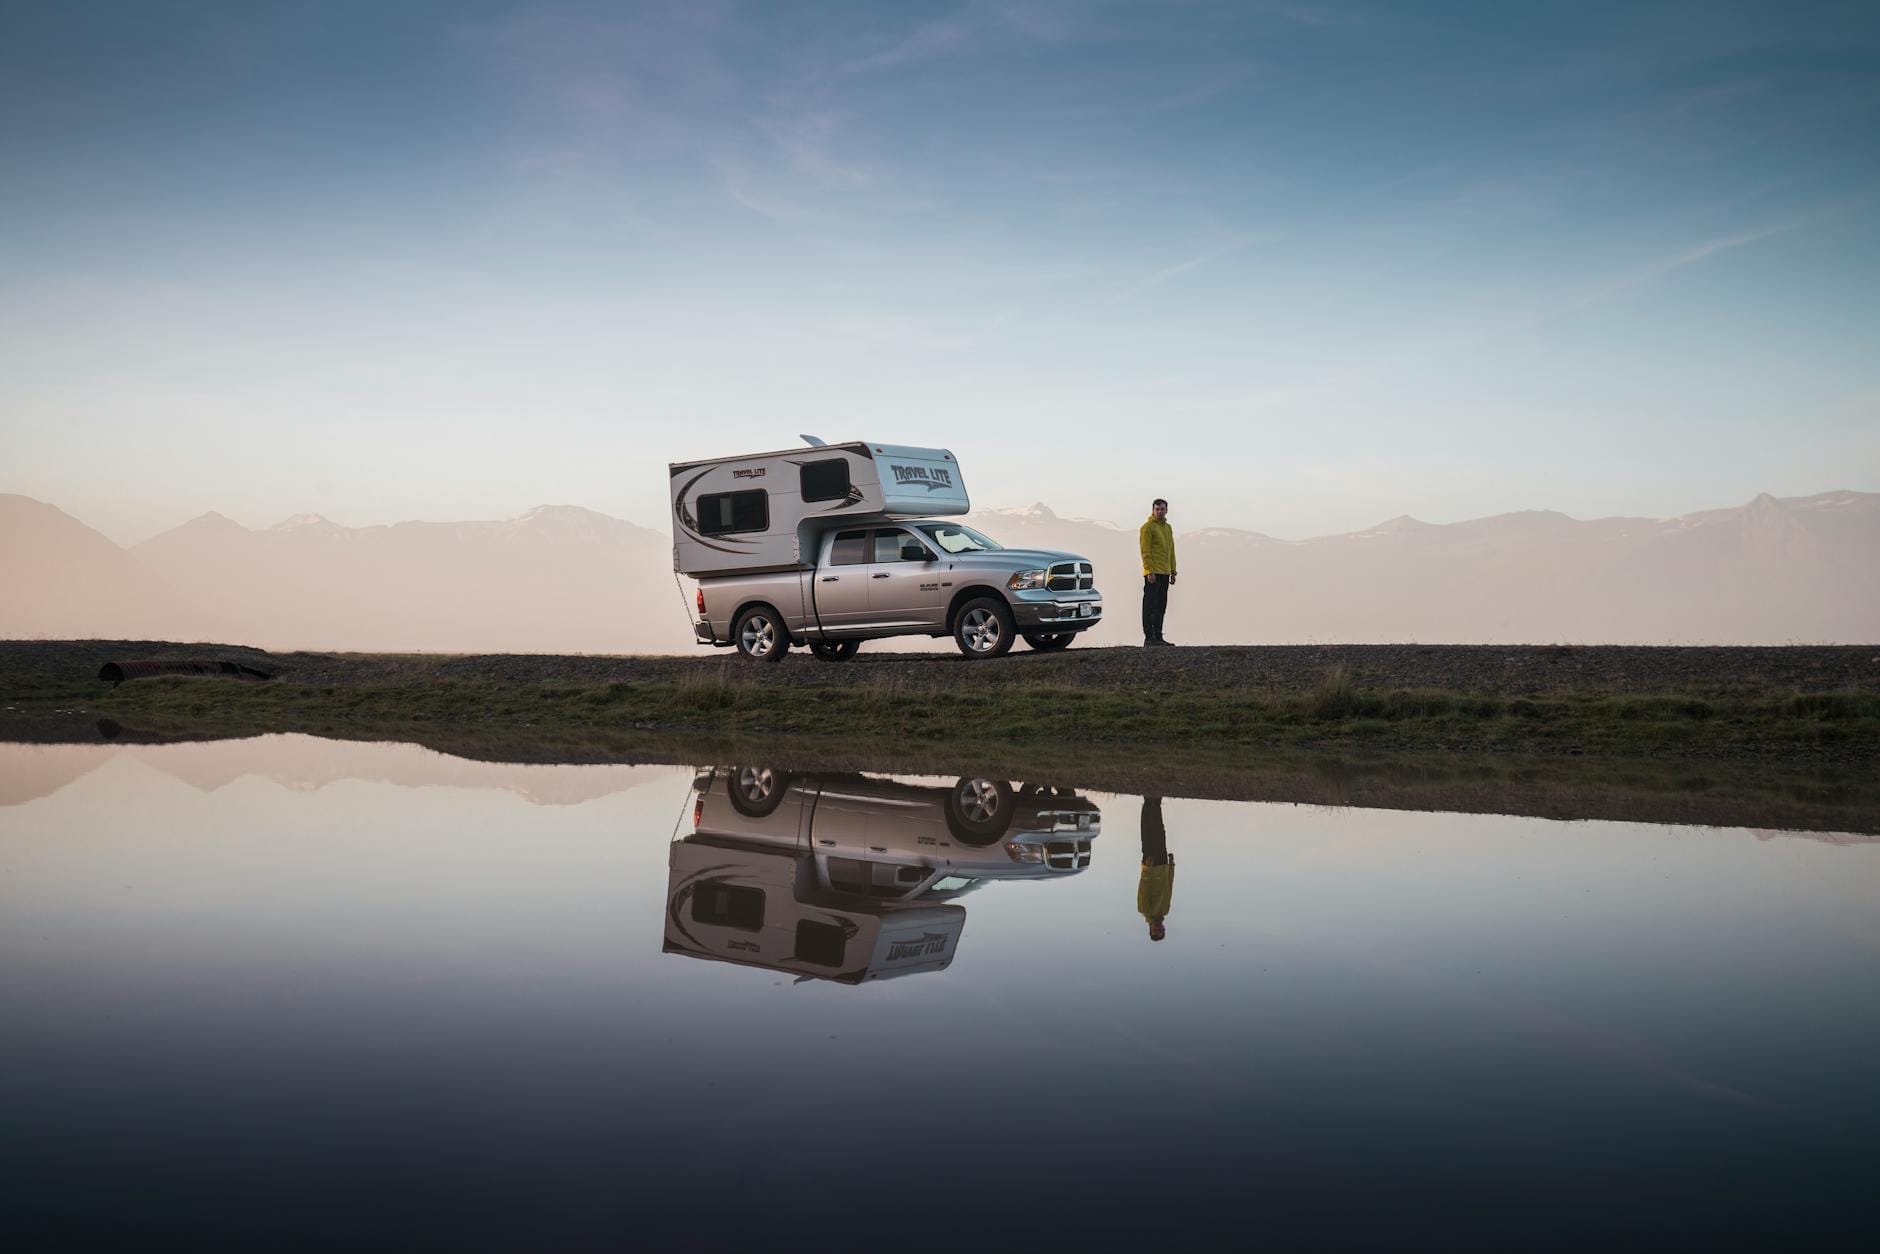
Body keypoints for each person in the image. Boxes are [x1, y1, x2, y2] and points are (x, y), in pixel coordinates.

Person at [1139, 497, 1176, 646]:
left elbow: (1171, 550)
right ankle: (1149, 637)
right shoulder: (1147, 527)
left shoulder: (1168, 528)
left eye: (1162, 509)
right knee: (1150, 605)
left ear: (1166, 510)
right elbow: (1145, 551)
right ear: (1153, 510)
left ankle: (1159, 636)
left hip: (1165, 572)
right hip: (1153, 573)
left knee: (1161, 605)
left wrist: (1173, 570)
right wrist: (1149, 571)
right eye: (1157, 509)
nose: (1160, 511)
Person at [1137, 794, 1174, 942]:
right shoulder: (1165, 911)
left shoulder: (1144, 910)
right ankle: (1156, 801)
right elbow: (1169, 888)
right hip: (1163, 865)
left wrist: (1147, 868)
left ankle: (1148, 801)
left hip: (1151, 865)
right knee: (1159, 832)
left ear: (1150, 929)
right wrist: (1171, 866)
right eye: (1160, 930)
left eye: (1155, 930)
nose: (1158, 928)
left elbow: (1143, 888)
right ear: (1164, 929)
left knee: (1148, 832)